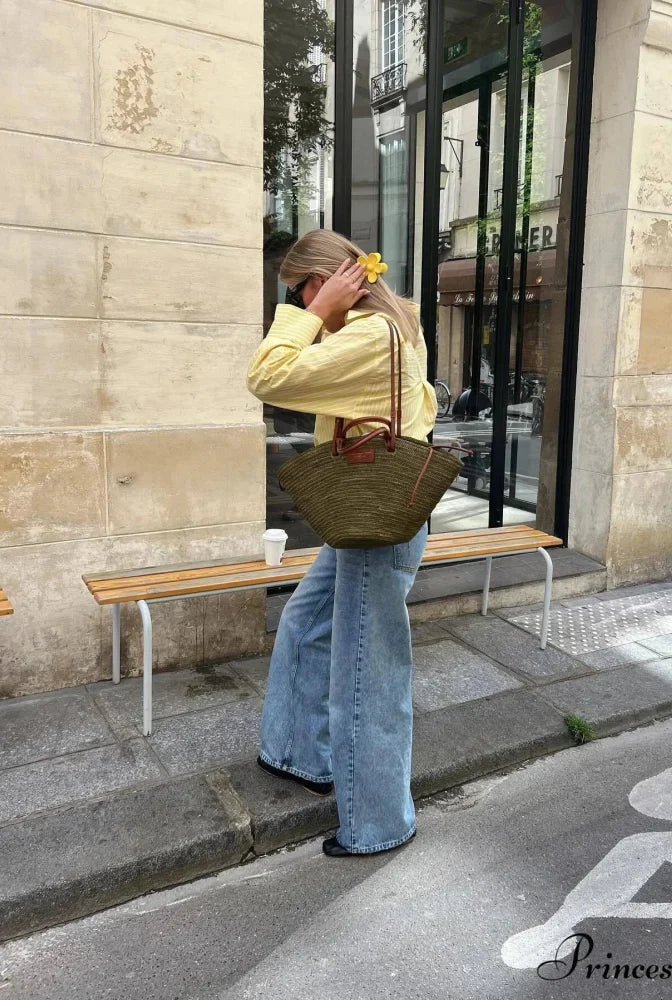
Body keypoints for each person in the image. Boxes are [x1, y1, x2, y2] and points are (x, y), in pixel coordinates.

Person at [246, 229, 438, 857]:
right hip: (364, 510)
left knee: (367, 668)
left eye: (301, 287)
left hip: (374, 519)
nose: (300, 300)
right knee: (305, 623)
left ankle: (378, 821)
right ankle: (301, 754)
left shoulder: (368, 335)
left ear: (331, 279)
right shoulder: (392, 325)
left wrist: (313, 315)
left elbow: (268, 377)